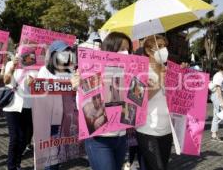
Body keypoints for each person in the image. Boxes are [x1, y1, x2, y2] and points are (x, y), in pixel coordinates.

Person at [71, 32, 133, 170]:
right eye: (122, 48)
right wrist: (79, 86)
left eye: (128, 49)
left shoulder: (130, 73)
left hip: (121, 137)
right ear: (111, 49)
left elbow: (132, 107)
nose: (126, 52)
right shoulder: (93, 70)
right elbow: (84, 108)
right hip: (99, 139)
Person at [135, 35, 173, 170]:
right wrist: (159, 82)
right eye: (160, 46)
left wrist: (182, 72)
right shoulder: (140, 71)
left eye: (165, 46)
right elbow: (138, 99)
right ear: (148, 50)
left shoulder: (171, 70)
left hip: (168, 130)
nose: (164, 49)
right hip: (148, 130)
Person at [36, 40, 76, 170]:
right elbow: (42, 92)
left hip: (66, 117)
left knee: (58, 151)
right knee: (51, 153)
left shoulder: (70, 72)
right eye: (62, 52)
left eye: (67, 52)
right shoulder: (44, 71)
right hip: (50, 118)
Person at [3, 45, 37, 170]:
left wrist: (34, 83)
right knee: (15, 137)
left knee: (25, 138)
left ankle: (17, 163)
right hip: (12, 105)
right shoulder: (10, 64)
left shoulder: (35, 67)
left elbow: (38, 87)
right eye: (20, 51)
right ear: (16, 53)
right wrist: (12, 67)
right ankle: (11, 166)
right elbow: (6, 81)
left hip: (28, 105)